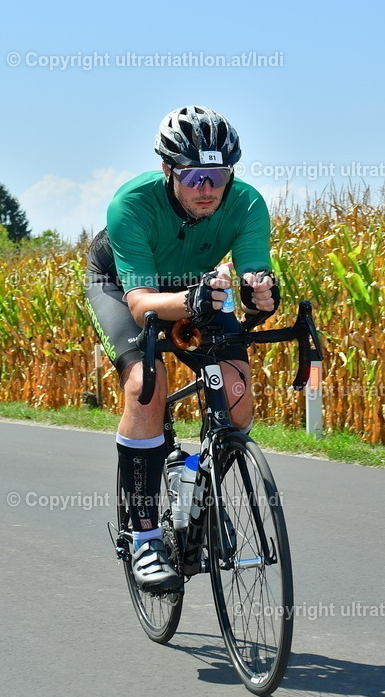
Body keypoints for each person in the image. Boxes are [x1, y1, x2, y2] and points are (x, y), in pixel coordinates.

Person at [85, 105, 280, 593]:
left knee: (237, 398)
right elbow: (141, 304)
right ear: (169, 170)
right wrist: (188, 300)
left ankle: (199, 491)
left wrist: (261, 298)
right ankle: (146, 537)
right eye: (195, 176)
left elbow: (255, 273)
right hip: (123, 286)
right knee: (145, 386)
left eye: (217, 175)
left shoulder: (248, 204)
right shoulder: (131, 204)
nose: (207, 188)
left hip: (198, 286)